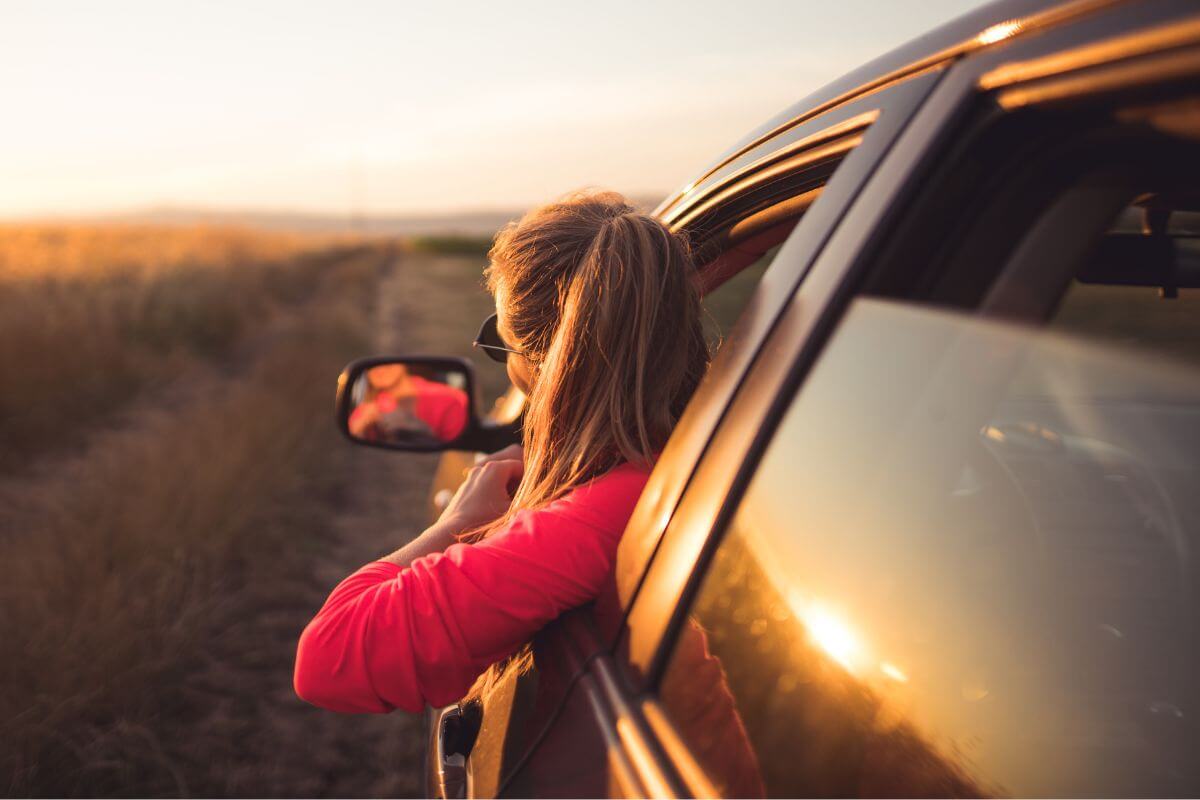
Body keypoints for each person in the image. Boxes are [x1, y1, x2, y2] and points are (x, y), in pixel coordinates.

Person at [294, 191, 710, 713]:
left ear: (547, 361)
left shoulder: (600, 516)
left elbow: (326, 658)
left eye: (502, 344)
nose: (504, 363)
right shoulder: (695, 453)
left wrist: (454, 524)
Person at [347, 363, 468, 443]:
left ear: (403, 363)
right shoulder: (366, 411)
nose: (379, 369)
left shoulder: (450, 398)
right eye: (372, 365)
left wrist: (423, 432)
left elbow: (457, 452)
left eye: (388, 361)